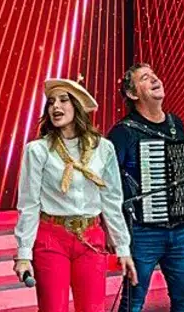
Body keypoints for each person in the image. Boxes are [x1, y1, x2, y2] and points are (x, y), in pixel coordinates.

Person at [13, 78, 137, 312]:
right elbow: (29, 204)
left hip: (90, 237)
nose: (55, 107)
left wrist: (123, 247)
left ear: (78, 106)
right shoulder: (38, 150)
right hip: (51, 237)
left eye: (63, 100)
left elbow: (111, 200)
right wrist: (23, 254)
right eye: (51, 102)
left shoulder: (103, 148)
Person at [108, 63, 184, 312]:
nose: (155, 79)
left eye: (155, 75)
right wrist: (115, 230)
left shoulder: (176, 124)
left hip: (180, 230)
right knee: (133, 303)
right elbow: (109, 183)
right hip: (142, 231)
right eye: (145, 78)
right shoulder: (123, 132)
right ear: (132, 94)